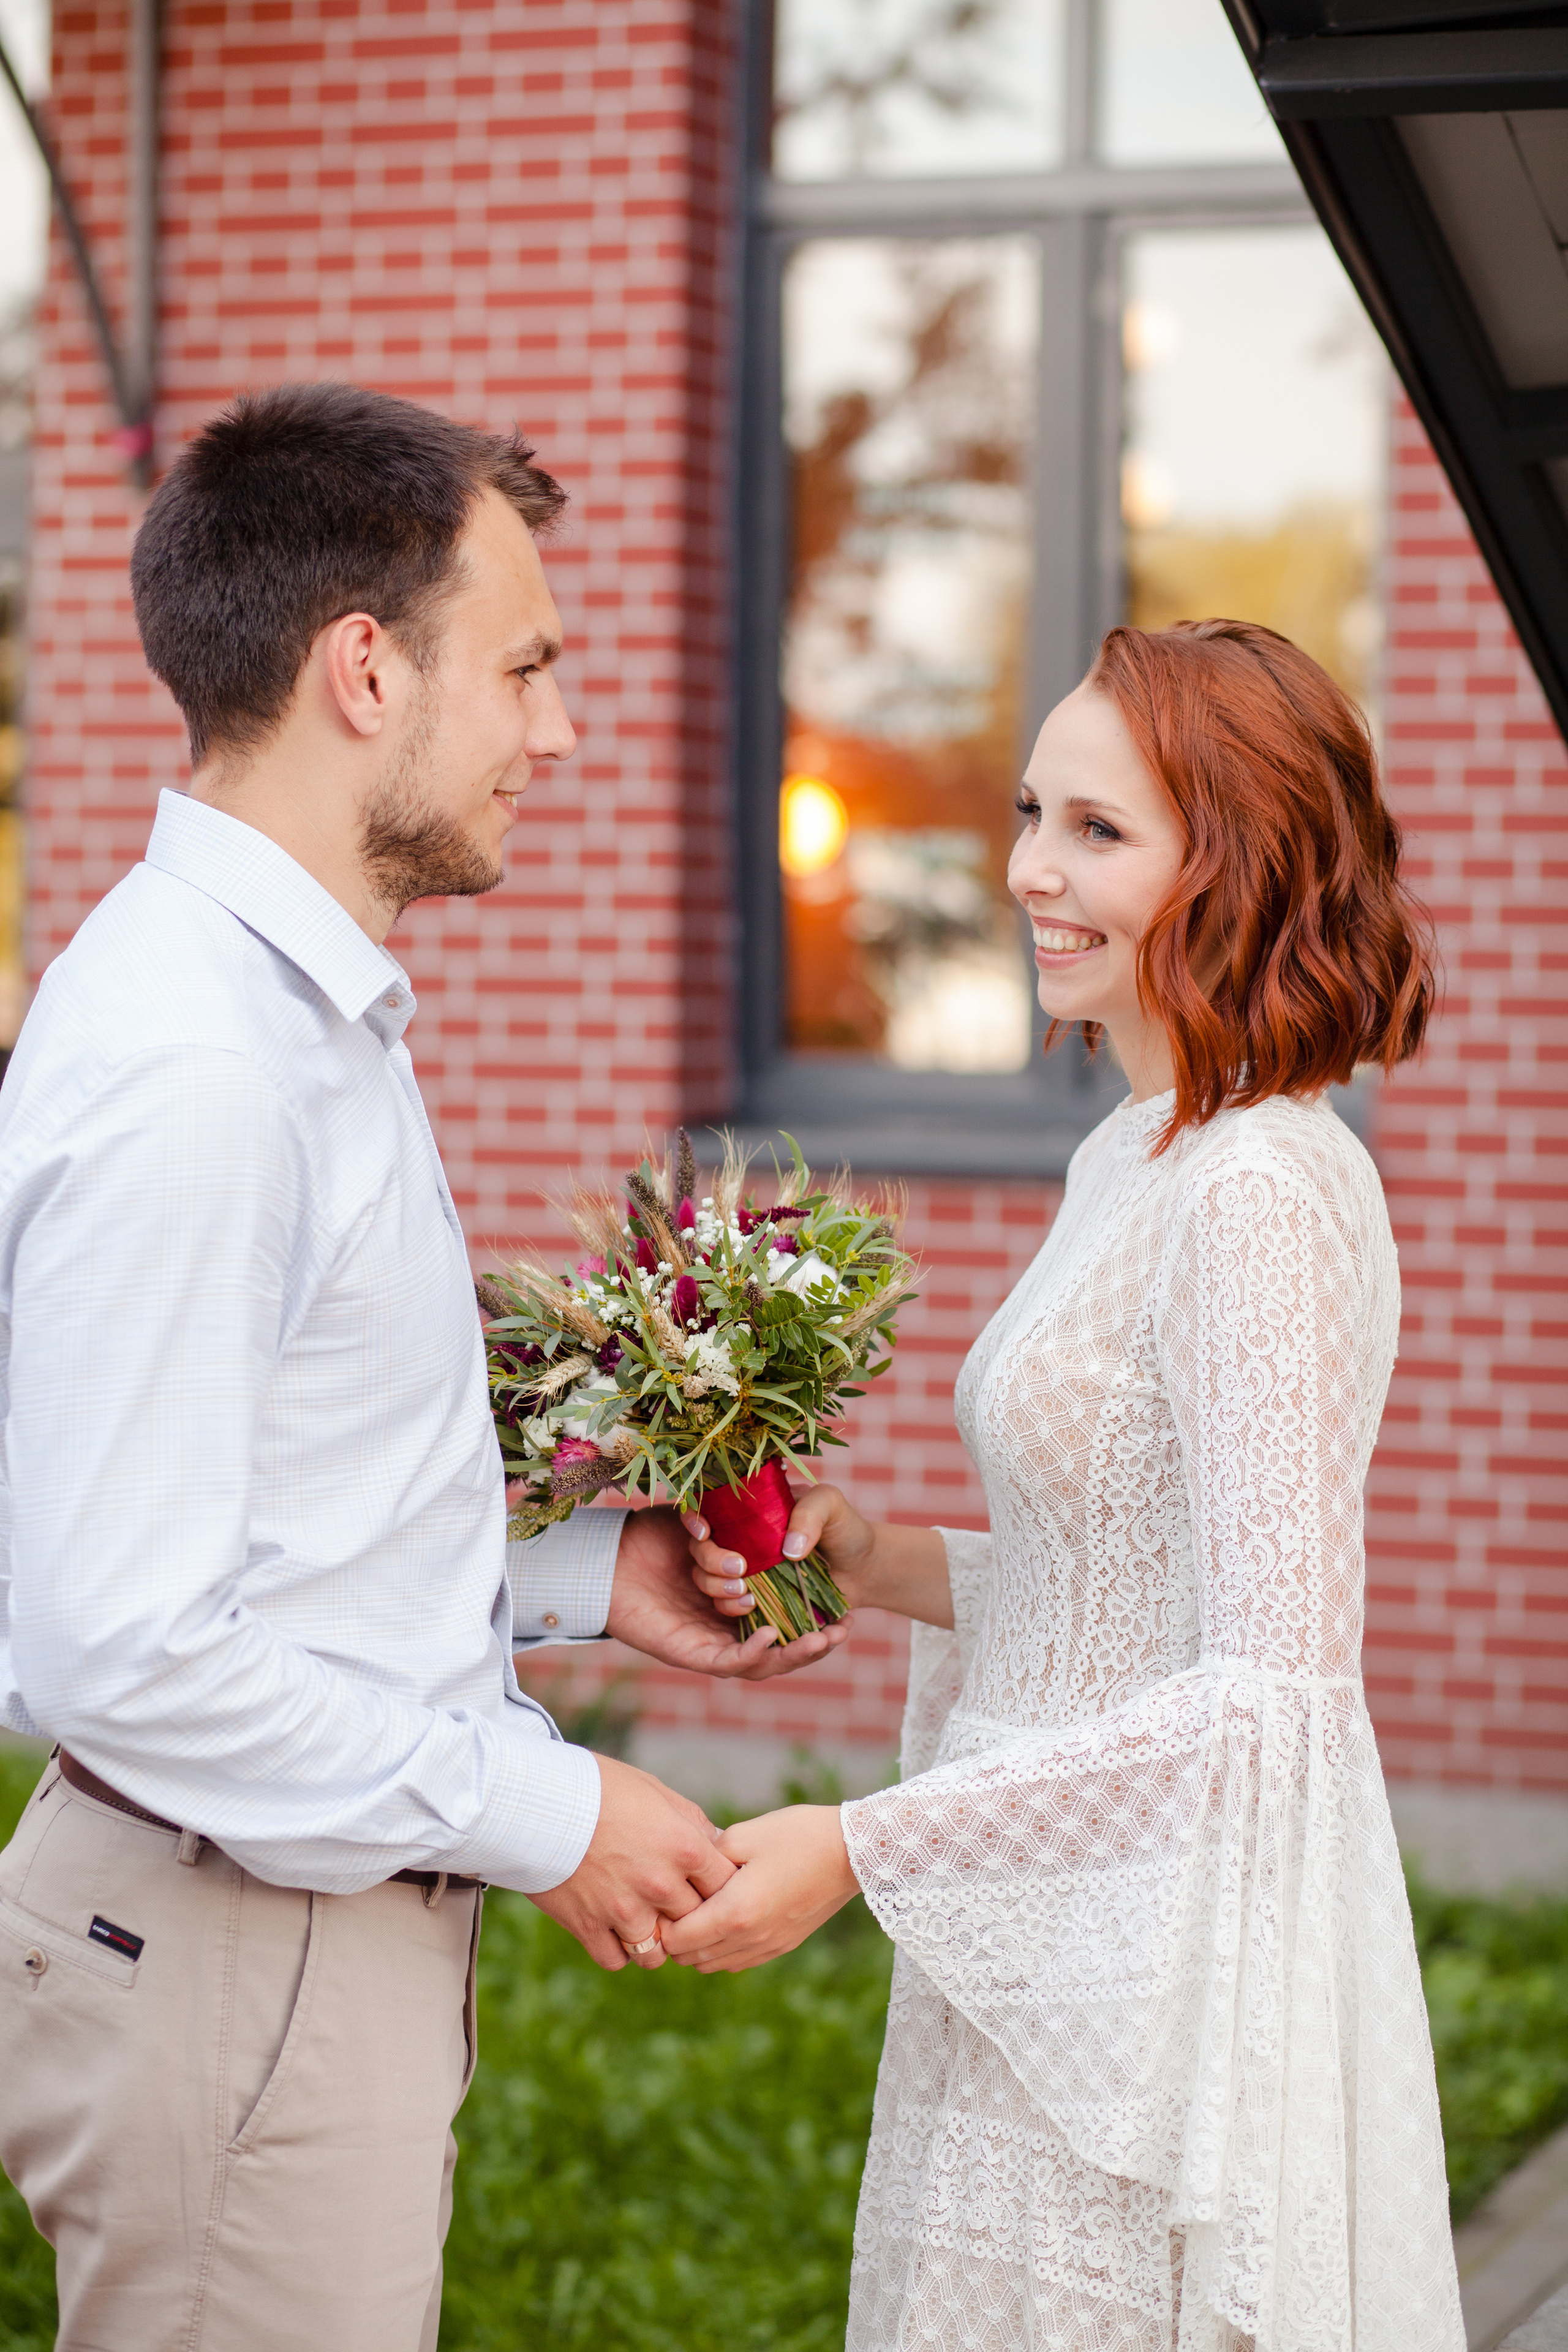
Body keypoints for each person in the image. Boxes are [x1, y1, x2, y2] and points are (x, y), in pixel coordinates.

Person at [0, 382, 846, 2352]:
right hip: (245, 1960)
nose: (560, 731)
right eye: (531, 667)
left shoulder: (292, 1018)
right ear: (363, 669)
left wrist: (566, 1585)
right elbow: (117, 1641)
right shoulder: (208, 1067)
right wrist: (550, 1812)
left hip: (275, 1948)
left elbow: (275, 1507)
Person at [673, 620, 1466, 2352]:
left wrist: (862, 1848)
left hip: (1152, 1980)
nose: (1032, 868)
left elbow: (1265, 1699)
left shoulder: (1254, 1187)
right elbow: (1131, 1575)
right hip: (1044, 1944)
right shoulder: (1140, 1145)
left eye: (1101, 831)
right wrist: (878, 1560)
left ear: (1239, 857)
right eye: (1034, 813)